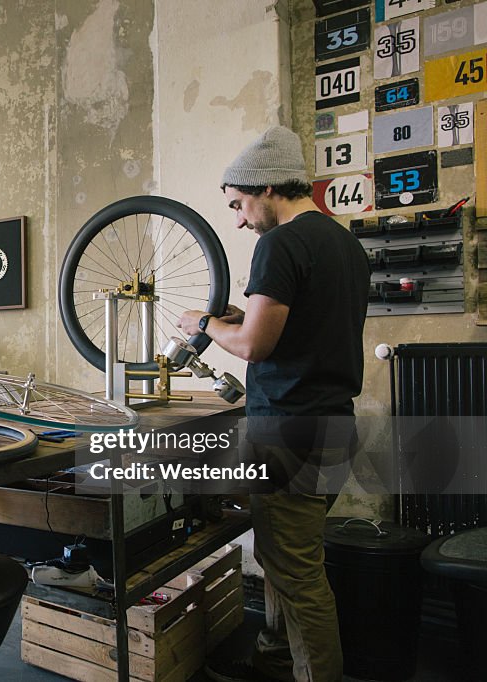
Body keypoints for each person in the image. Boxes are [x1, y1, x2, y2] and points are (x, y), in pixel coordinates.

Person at [179, 125, 370, 682]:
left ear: (264, 188)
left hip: (291, 433)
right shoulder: (344, 244)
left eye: (238, 204)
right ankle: (273, 659)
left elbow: (255, 345)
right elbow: (301, 329)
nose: (238, 219)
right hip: (333, 427)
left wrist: (205, 323)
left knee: (300, 578)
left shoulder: (279, 243)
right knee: (285, 563)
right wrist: (241, 322)